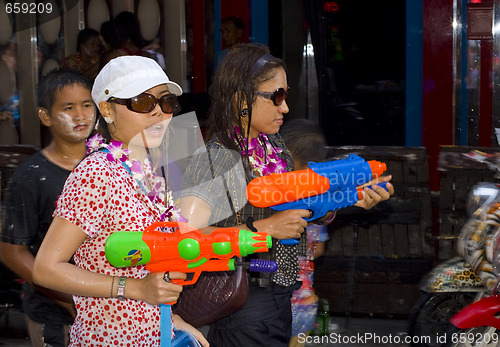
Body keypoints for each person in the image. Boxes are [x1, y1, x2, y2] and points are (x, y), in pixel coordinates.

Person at [178, 43, 394, 346]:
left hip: (281, 297)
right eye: (275, 96)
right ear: (241, 98)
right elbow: (185, 239)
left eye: (285, 95)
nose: (285, 107)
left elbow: (300, 205)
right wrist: (264, 229)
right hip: (242, 304)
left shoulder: (275, 146)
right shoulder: (218, 158)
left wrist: (348, 199)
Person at [32, 56, 209, 347]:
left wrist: (171, 319)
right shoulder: (97, 173)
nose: (158, 113)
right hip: (109, 339)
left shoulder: (150, 172)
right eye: (142, 102)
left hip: (154, 335)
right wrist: (135, 289)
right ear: (107, 110)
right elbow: (46, 268)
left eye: (165, 103)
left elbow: (150, 272)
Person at [0, 68, 97, 346]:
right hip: (55, 317)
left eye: (87, 105)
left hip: (106, 308)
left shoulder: (109, 164)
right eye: (69, 107)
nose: (80, 116)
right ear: (46, 116)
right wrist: (65, 295)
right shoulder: (31, 175)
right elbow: (11, 251)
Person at [279, 119, 331, 347]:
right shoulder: (319, 206)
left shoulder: (279, 205)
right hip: (305, 302)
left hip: (279, 300)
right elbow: (318, 250)